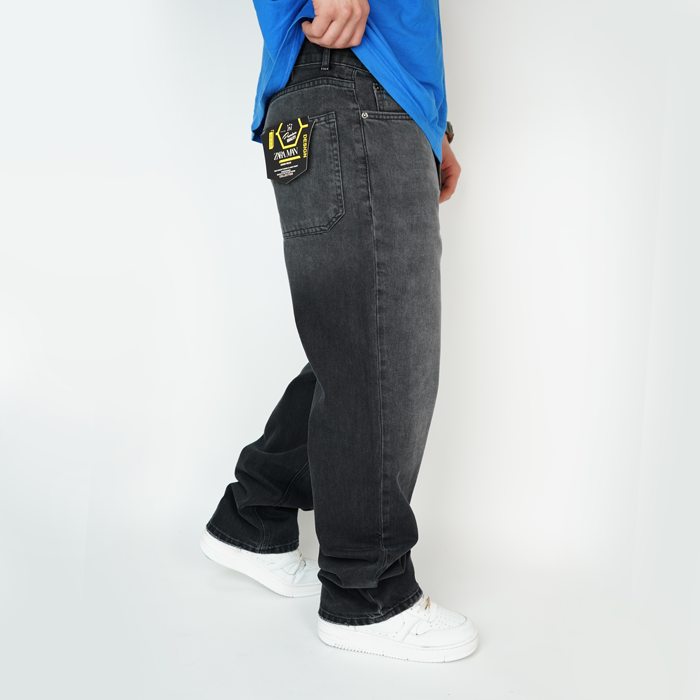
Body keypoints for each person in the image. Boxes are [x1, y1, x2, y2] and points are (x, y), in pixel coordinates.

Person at [199, 0, 477, 663]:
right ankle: (366, 591)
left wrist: (430, 122)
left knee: (361, 335)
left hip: (374, 89)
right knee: (384, 346)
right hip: (350, 73)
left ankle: (258, 512)